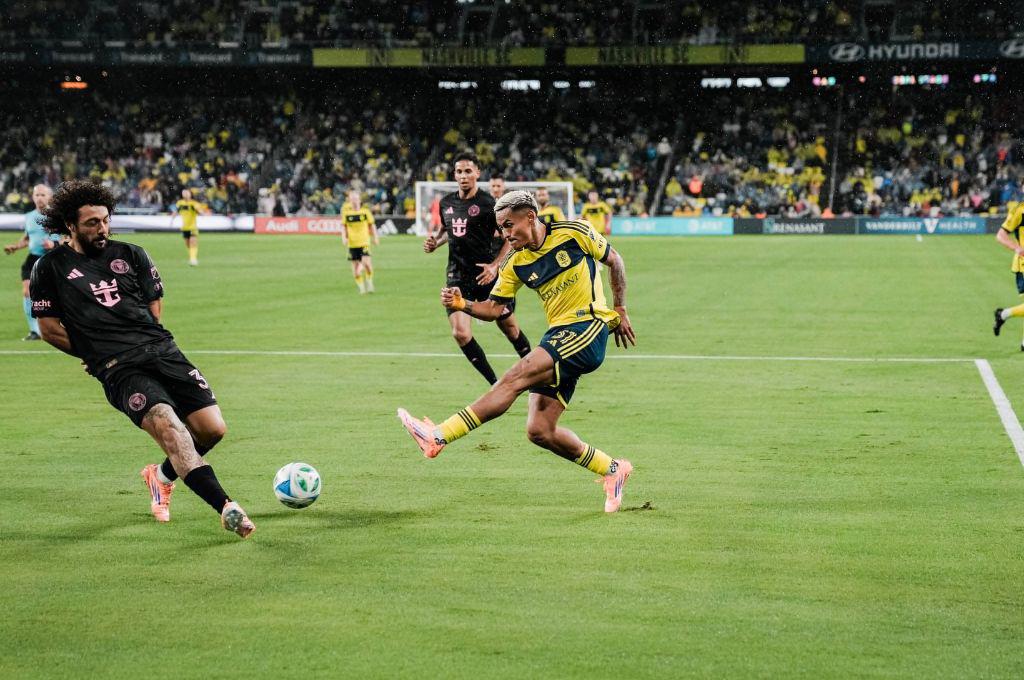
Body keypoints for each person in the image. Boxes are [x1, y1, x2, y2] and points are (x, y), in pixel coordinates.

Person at [30, 180, 254, 538]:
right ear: (70, 225)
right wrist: (95, 352)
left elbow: (154, 305)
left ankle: (160, 476)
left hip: (162, 351)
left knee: (212, 429)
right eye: (92, 223)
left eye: (105, 220)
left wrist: (140, 336)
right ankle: (227, 507)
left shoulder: (132, 254)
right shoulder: (50, 267)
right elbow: (49, 329)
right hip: (119, 369)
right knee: (170, 427)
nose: (102, 228)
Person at [398, 190, 638, 512]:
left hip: (588, 326)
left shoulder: (574, 232)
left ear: (530, 216)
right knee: (539, 430)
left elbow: (615, 261)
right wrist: (462, 303)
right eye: (501, 228)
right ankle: (613, 470)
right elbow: (495, 309)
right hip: (559, 335)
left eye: (509, 225)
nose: (505, 234)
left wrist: (620, 309)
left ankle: (439, 435)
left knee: (516, 375)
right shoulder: (515, 262)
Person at [424, 151, 532, 383]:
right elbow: (448, 231)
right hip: (457, 276)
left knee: (510, 328)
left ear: (477, 173)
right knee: (460, 333)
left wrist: (495, 266)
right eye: (459, 171)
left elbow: (509, 238)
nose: (463, 176)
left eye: (468, 171)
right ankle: (494, 384)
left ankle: (537, 372)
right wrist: (435, 243)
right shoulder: (446, 203)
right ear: (454, 175)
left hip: (486, 274)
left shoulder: (488, 204)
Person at [4, 184, 57, 340]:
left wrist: (53, 244)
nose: (39, 198)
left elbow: (66, 239)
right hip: (32, 258)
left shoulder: (56, 217)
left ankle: (58, 324)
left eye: (43, 195)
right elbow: (28, 238)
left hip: (50, 259)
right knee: (27, 291)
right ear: (33, 197)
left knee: (52, 295)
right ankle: (35, 331)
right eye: (37, 195)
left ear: (50, 197)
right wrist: (15, 247)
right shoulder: (29, 216)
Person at [993, 201, 1024, 348]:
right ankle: (1003, 314)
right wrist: (1017, 248)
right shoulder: (1020, 210)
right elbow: (1001, 235)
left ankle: (1003, 314)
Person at [341, 190, 379, 294]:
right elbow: (343, 227)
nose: (354, 201)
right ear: (349, 200)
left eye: (356, 199)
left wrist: (375, 237)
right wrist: (343, 237)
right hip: (352, 244)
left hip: (364, 242)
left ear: (359, 200)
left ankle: (369, 282)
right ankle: (362, 288)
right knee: (355, 271)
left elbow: (372, 225)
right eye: (352, 199)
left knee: (366, 263)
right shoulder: (346, 213)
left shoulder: (365, 212)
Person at [172, 188, 207, 266]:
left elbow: (199, 210)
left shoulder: (194, 203)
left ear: (190, 194)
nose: (185, 194)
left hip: (192, 227)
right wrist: (173, 217)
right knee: (188, 244)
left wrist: (201, 213)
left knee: (193, 242)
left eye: (187, 193)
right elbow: (176, 211)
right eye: (184, 193)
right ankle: (192, 257)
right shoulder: (180, 203)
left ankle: (193, 259)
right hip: (184, 227)